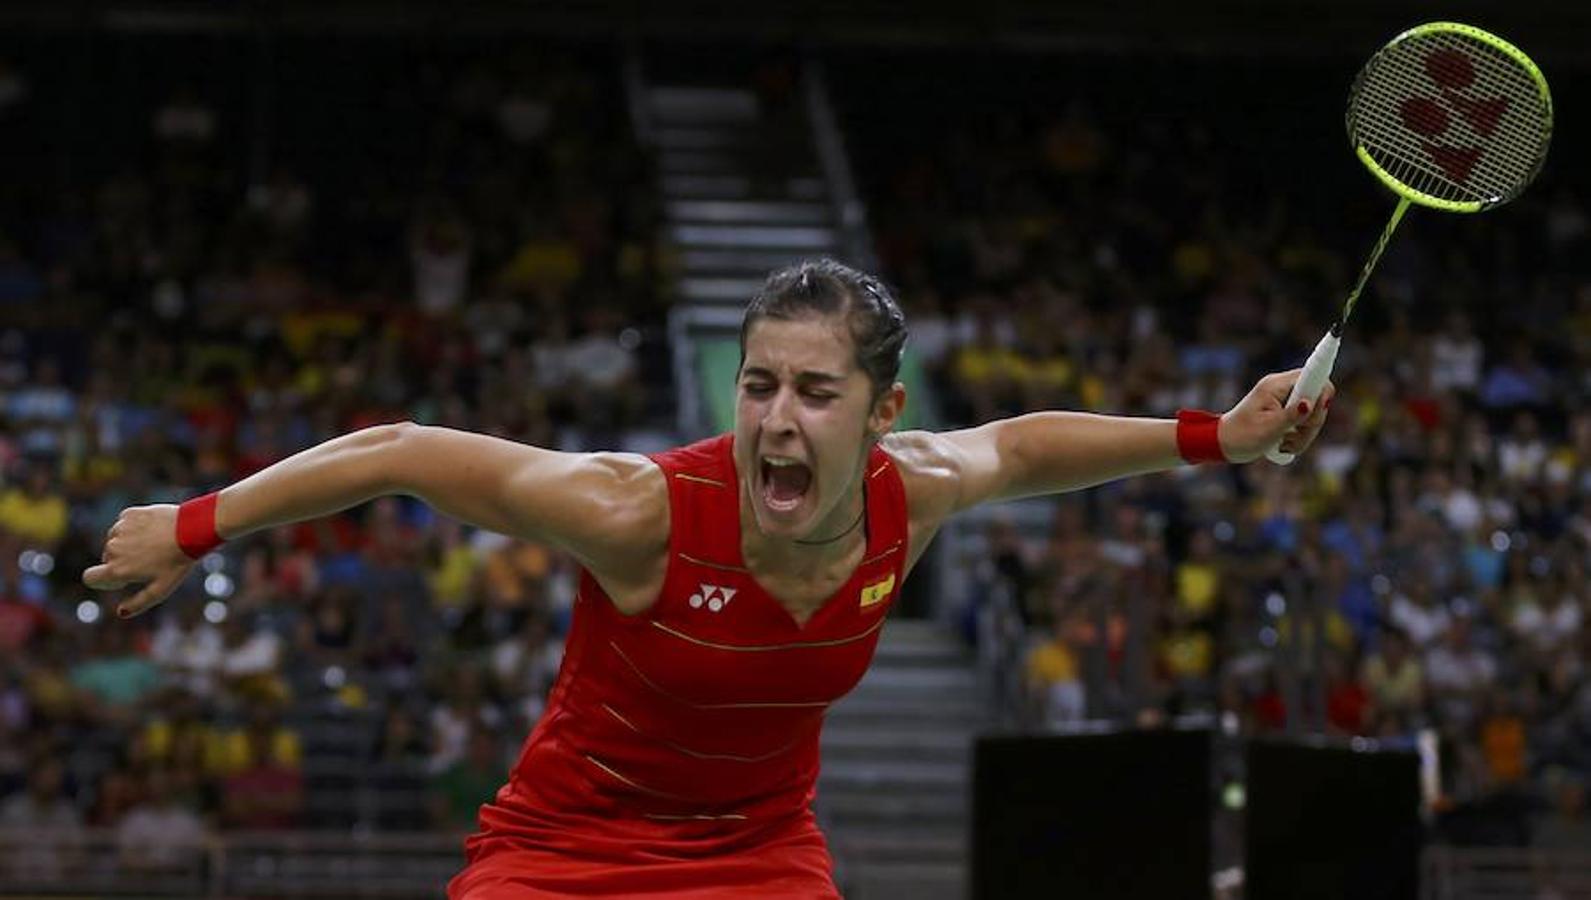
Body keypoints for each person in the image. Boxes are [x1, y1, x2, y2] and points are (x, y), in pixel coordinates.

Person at [81, 258, 1334, 897]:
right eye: (757, 384)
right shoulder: (637, 512)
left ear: (883, 409)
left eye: (815, 391)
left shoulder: (917, 492)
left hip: (755, 853)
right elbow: (400, 452)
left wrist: (1214, 438)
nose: (776, 419)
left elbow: (1020, 445)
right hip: (565, 848)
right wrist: (196, 525)